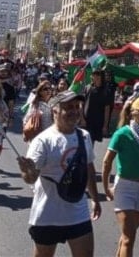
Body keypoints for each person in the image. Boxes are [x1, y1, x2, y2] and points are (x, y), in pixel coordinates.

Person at [17, 90, 102, 257]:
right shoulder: (43, 141)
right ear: (54, 110)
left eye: (77, 106)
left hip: (78, 213)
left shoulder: (84, 136)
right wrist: (27, 171)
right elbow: (31, 178)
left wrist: (95, 199)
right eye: (68, 107)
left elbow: (88, 169)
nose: (74, 111)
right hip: (48, 215)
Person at [102, 96, 139, 257]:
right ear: (134, 113)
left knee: (128, 235)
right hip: (125, 187)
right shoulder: (122, 134)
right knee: (129, 238)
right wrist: (106, 187)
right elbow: (107, 161)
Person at [82, 69, 113, 145]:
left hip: (97, 122)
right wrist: (82, 119)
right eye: (94, 75)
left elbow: (107, 109)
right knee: (82, 142)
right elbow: (81, 104)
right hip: (86, 121)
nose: (95, 77)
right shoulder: (88, 88)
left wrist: (105, 126)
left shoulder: (106, 91)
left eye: (98, 75)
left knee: (90, 143)